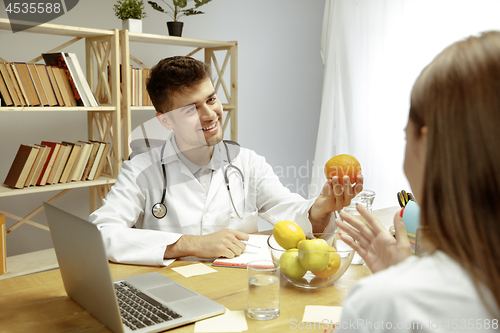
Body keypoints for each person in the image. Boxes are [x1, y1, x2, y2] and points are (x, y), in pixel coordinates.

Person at [90, 56, 363, 266]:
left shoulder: (247, 163)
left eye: (211, 99)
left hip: (239, 292)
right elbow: (100, 233)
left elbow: (286, 210)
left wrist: (320, 208)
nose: (210, 114)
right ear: (165, 120)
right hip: (173, 293)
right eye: (191, 109)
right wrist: (189, 244)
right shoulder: (141, 170)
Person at [335, 31, 500, 332]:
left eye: (404, 135)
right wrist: (404, 273)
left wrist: (398, 287)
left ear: (427, 145)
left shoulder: (382, 304)